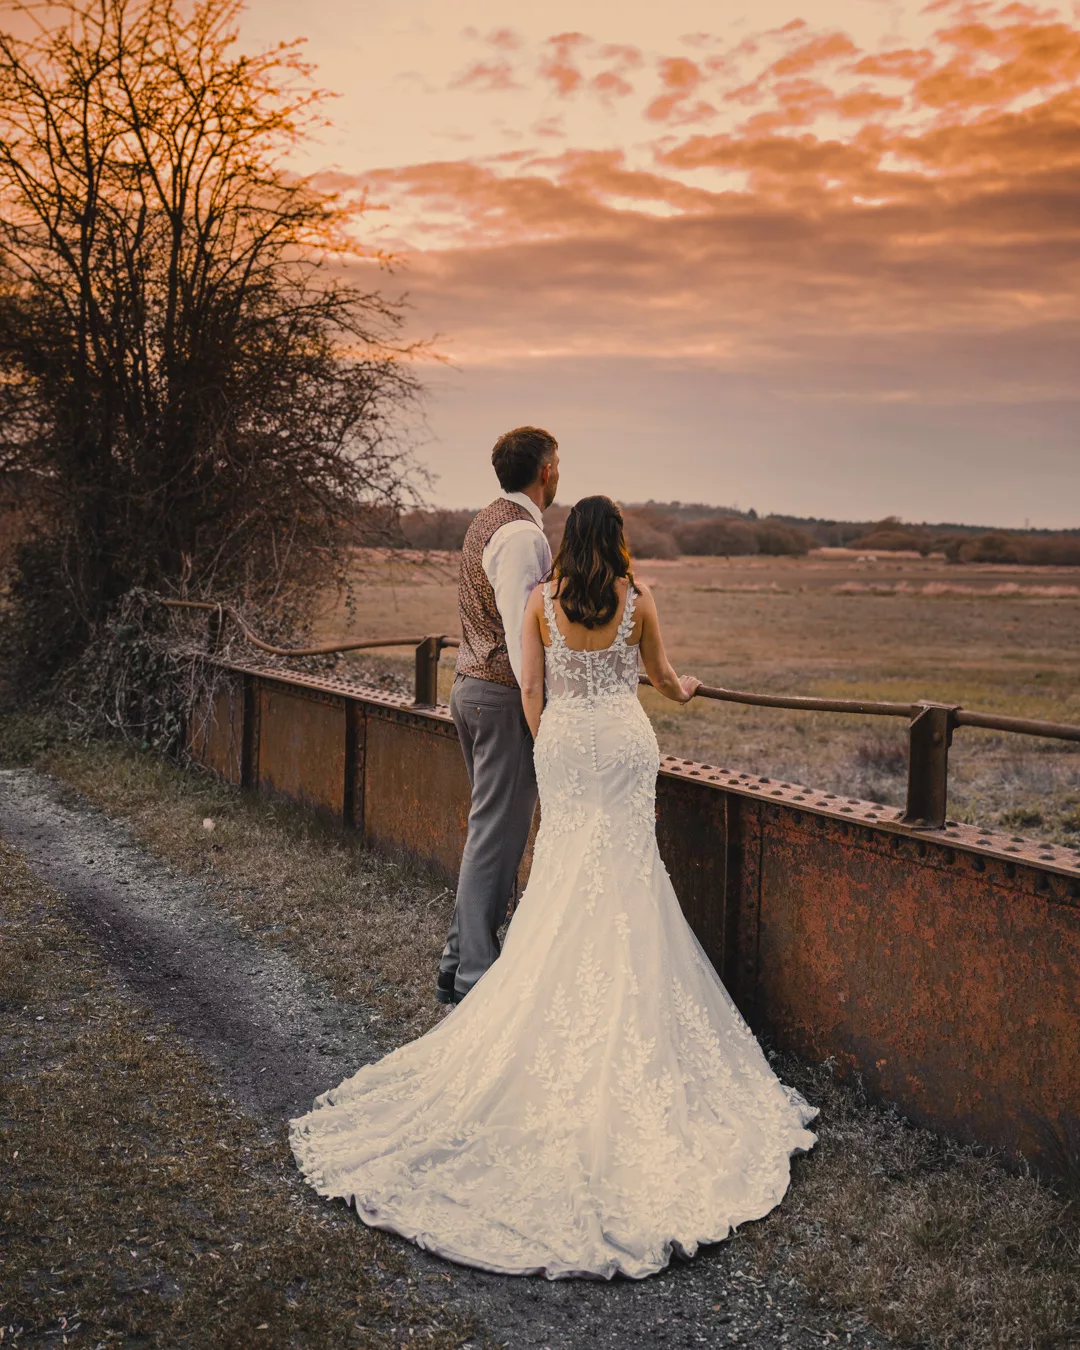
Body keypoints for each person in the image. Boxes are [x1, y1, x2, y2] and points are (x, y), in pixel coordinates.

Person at [290, 494, 817, 1280]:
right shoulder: (640, 600)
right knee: (629, 880)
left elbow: (531, 691)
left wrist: (555, 747)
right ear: (623, 543)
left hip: (568, 744)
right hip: (626, 745)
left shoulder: (540, 601)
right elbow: (665, 680)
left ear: (571, 541)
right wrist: (689, 688)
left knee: (564, 878)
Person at [436, 426, 559, 1007]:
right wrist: (542, 714)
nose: (558, 474)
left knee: (487, 830)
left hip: (472, 686)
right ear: (545, 471)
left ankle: (457, 961)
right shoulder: (521, 538)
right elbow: (520, 632)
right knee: (497, 837)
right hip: (502, 696)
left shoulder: (487, 519)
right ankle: (476, 981)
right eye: (557, 464)